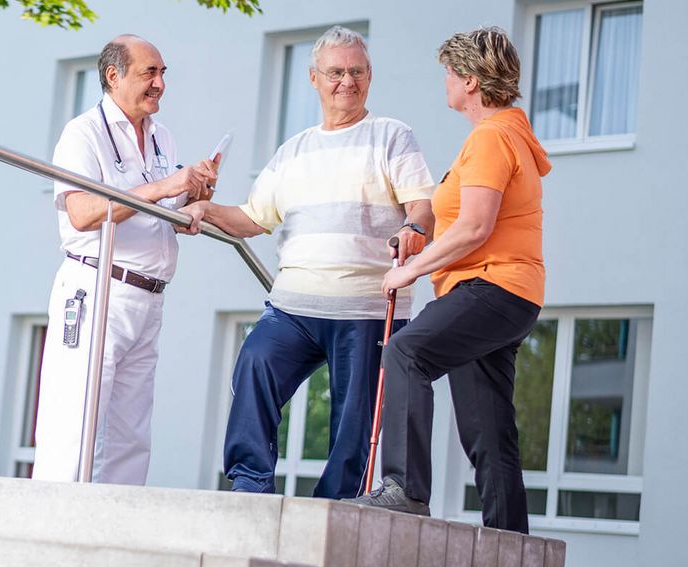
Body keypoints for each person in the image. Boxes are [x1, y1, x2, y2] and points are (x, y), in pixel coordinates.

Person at [179, 26, 435, 499]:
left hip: (366, 307)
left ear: (370, 76)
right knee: (255, 362)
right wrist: (203, 210)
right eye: (335, 72)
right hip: (294, 305)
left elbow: (422, 205)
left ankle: (334, 506)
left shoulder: (391, 137)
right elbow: (253, 218)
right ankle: (250, 481)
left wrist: (414, 229)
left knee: (354, 419)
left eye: (356, 72)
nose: (347, 81)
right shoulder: (293, 150)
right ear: (314, 78)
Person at [344, 26, 550, 535]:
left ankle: (405, 490)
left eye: (450, 74)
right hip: (508, 293)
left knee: (406, 352)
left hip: (491, 286)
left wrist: (410, 269)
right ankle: (510, 540)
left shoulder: (491, 137)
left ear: (472, 82)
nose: (446, 83)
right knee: (487, 425)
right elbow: (456, 216)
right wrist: (417, 234)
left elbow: (475, 227)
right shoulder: (505, 134)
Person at [32, 34, 216, 484]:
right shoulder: (83, 132)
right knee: (75, 419)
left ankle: (116, 530)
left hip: (149, 296)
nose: (159, 83)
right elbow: (82, 212)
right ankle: (49, 525)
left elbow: (160, 215)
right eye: (148, 73)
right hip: (97, 289)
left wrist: (190, 206)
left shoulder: (160, 137)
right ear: (113, 76)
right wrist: (163, 188)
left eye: (162, 73)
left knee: (130, 432)